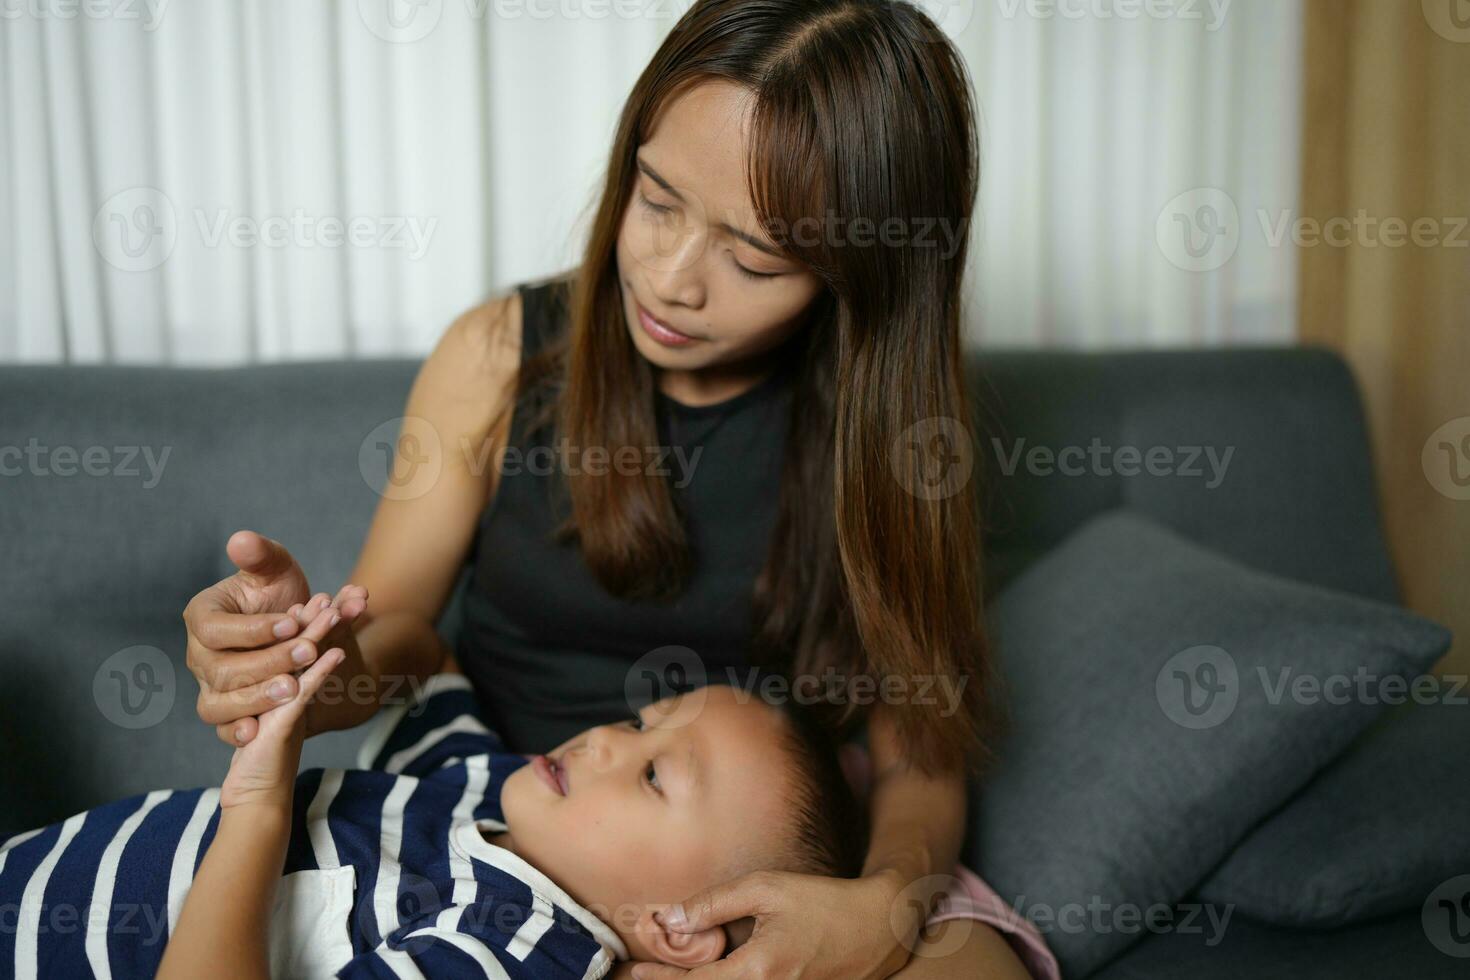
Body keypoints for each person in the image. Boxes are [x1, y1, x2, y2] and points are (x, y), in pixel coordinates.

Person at [181, 2, 1057, 977]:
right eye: (656, 197)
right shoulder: (499, 355)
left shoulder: (896, 429)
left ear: (866, 271)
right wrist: (296, 665)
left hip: (763, 853)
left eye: (753, 255)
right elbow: (395, 635)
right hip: (505, 815)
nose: (673, 277)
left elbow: (920, 740)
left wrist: (880, 908)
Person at [0, 595, 869, 978]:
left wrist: (257, 810)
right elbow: (428, 662)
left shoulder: (519, 952)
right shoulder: (490, 792)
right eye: (643, 721)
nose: (607, 736)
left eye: (652, 772)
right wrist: (321, 654)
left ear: (678, 933)